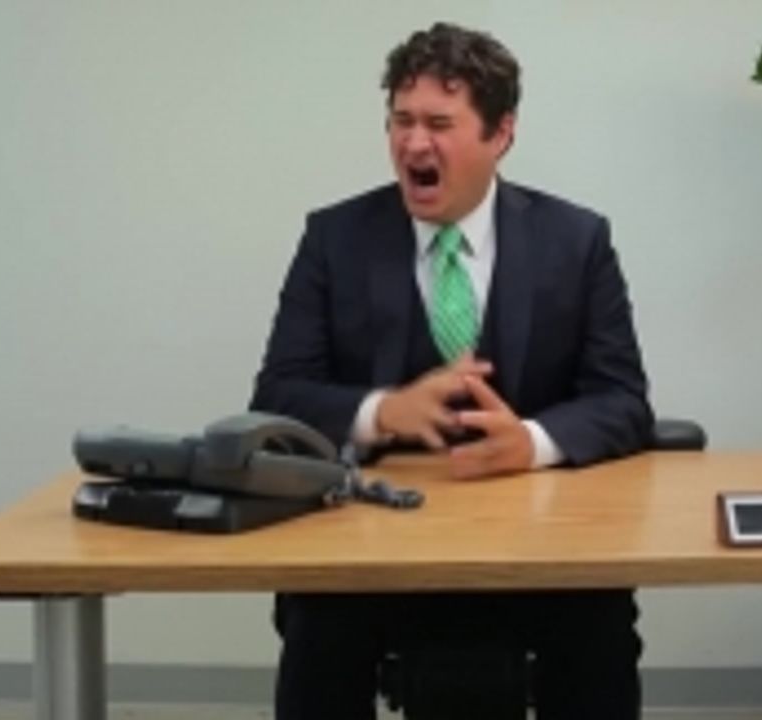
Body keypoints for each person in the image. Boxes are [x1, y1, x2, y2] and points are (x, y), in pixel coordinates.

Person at [250, 21, 654, 720]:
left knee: (599, 631)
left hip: (541, 549)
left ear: (502, 134)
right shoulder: (334, 239)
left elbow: (622, 401)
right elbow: (277, 396)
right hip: (367, 547)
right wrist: (382, 412)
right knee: (319, 627)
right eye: (401, 121)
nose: (413, 144)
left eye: (439, 124)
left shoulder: (576, 241)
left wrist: (532, 442)